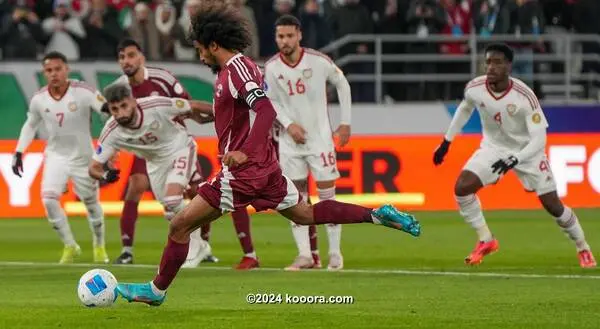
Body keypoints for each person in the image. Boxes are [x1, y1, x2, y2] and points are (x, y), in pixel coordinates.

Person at [113, 2, 421, 306]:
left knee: (179, 225)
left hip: (245, 173)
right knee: (306, 214)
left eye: (201, 49)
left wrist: (245, 152)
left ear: (214, 44)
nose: (200, 54)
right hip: (267, 170)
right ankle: (377, 215)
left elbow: (265, 109)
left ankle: (156, 290)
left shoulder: (235, 71)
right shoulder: (241, 67)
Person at [433, 43, 596, 268]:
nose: (491, 67)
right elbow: (465, 108)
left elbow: (539, 139)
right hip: (494, 148)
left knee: (553, 205)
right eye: (488, 62)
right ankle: (486, 240)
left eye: (497, 62)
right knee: (462, 187)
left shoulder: (525, 97)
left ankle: (583, 247)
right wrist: (446, 141)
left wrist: (516, 159)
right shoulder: (475, 88)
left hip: (527, 151)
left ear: (509, 66)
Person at [111, 38, 218, 267]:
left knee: (198, 192)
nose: (126, 61)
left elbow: (187, 105)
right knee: (135, 187)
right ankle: (127, 249)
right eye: (122, 57)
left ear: (142, 57)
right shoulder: (120, 89)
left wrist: (209, 117)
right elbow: (113, 124)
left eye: (131, 55)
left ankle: (203, 246)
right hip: (145, 149)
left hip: (173, 143)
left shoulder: (162, 77)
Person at [89, 83, 216, 268]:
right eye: (114, 109)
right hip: (155, 164)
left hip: (180, 148)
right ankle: (200, 244)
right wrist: (105, 175)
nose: (120, 113)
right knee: (170, 210)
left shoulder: (155, 105)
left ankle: (197, 247)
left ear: (132, 101)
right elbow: (93, 167)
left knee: (172, 201)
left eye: (124, 106)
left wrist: (226, 111)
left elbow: (193, 105)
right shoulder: (112, 130)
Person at [264, 14, 351, 271]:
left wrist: (345, 122)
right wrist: (288, 124)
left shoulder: (319, 61)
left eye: (290, 35)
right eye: (280, 36)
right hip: (290, 142)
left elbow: (342, 83)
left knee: (327, 197)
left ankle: (335, 254)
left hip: (321, 139)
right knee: (295, 199)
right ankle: (305, 255)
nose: (285, 41)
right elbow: (271, 102)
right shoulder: (271, 68)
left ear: (299, 35)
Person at [12, 51, 109, 264]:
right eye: (49, 70)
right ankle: (70, 245)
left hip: (84, 157)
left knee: (91, 204)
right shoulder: (39, 99)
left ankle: (99, 245)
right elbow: (30, 125)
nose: (54, 74)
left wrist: (109, 145)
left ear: (67, 69)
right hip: (56, 156)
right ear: (44, 73)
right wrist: (19, 151)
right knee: (48, 199)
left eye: (58, 69)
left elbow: (105, 109)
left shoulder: (83, 91)